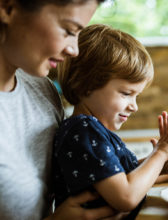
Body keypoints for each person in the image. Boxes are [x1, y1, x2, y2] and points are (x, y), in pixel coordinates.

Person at [0, 0, 128, 219]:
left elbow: (84, 168)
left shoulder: (42, 90)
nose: (74, 50)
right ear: (8, 8)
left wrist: (157, 166)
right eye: (69, 31)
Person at [53, 24, 168, 218]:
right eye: (126, 94)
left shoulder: (92, 131)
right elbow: (126, 196)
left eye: (136, 96)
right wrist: (161, 151)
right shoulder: (83, 130)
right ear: (85, 85)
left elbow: (124, 177)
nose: (134, 106)